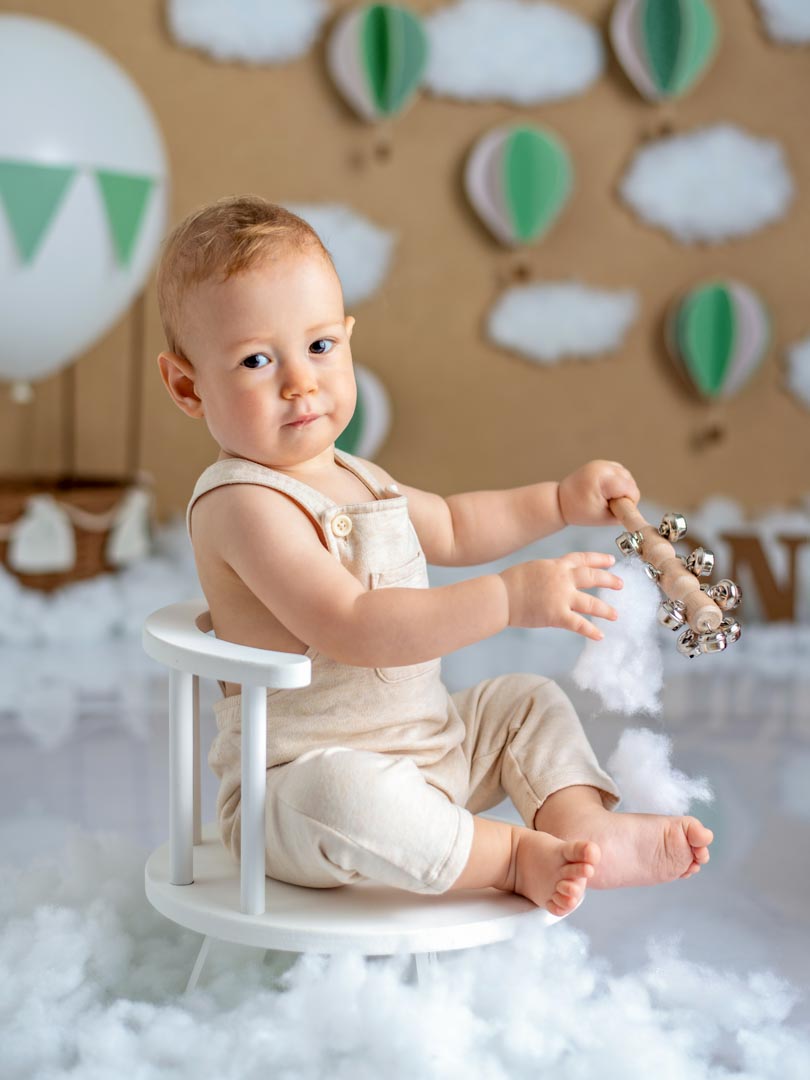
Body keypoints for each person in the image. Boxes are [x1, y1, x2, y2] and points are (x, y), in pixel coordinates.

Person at [156, 194, 713, 916]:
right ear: (188, 386)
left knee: (526, 702)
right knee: (345, 796)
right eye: (257, 360)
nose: (300, 381)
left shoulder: (355, 474)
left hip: (431, 750)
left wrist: (558, 502)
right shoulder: (242, 504)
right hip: (294, 793)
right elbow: (354, 625)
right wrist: (507, 599)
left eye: (320, 347)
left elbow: (453, 525)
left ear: (347, 339)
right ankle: (508, 856)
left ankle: (582, 824)